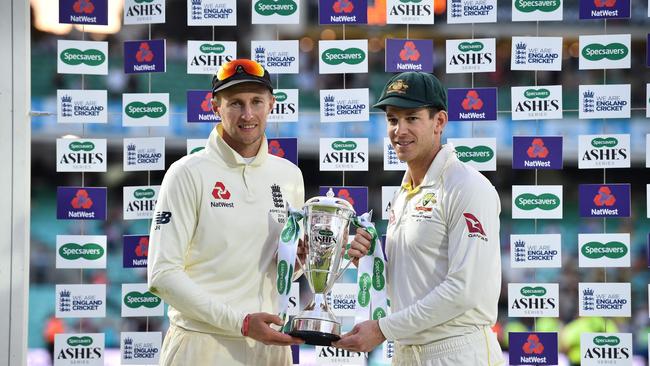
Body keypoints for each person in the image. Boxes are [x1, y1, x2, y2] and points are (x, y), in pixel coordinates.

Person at [336, 72, 504, 366]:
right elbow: (409, 289)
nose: (399, 130)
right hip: (407, 353)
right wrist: (369, 262)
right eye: (392, 119)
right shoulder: (404, 193)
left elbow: (463, 291)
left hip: (459, 353)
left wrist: (382, 329)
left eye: (412, 118)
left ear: (439, 122)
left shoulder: (467, 186)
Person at [147, 59, 305, 365]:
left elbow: (275, 272)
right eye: (235, 103)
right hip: (202, 344)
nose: (247, 114)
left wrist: (296, 263)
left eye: (256, 101)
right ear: (215, 106)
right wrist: (242, 322)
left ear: (271, 104)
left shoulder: (289, 175)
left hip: (270, 347)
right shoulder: (187, 173)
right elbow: (162, 275)